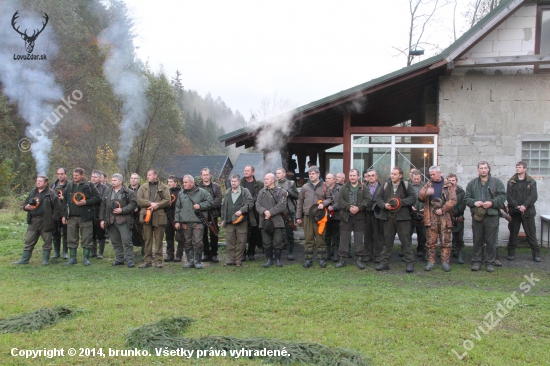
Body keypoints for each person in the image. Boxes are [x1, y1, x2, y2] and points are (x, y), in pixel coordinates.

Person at [464, 161, 506, 272]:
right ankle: (477, 262)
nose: (483, 170)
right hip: (477, 216)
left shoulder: (496, 183)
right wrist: (474, 202)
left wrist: (492, 203)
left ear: (488, 169)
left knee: (491, 241)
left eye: (485, 168)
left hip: (492, 216)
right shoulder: (472, 184)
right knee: (477, 240)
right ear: (478, 170)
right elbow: (466, 198)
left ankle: (490, 262)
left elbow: (502, 197)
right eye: (481, 168)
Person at [374, 166, 416, 273]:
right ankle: (384, 263)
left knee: (406, 242)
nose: (392, 175)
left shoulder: (407, 185)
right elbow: (377, 198)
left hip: (403, 219)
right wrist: (384, 205)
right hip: (388, 218)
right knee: (387, 242)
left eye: (395, 174)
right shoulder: (386, 185)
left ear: (400, 176)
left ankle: (409, 264)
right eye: (392, 173)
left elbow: (413, 198)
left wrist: (400, 203)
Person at [14, 176, 61, 266]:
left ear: (46, 182)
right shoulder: (33, 192)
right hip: (33, 220)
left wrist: (52, 220)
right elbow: (25, 203)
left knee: (47, 241)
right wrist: (25, 207)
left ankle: (45, 260)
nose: (38, 182)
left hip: (46, 220)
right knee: (29, 240)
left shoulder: (51, 193)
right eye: (37, 181)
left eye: (40, 181)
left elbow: (57, 209)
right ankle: (24, 259)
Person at [418, 166, 457, 272]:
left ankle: (445, 263)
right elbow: (420, 198)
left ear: (440, 173)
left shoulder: (449, 185)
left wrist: (443, 209)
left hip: (445, 216)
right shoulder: (428, 184)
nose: (432, 176)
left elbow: (453, 200)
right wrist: (426, 193)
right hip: (431, 216)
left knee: (445, 241)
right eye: (430, 174)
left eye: (434, 174)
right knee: (431, 241)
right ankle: (431, 262)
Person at [62, 168, 101, 266]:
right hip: (72, 217)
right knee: (71, 238)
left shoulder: (89, 186)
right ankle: (73, 258)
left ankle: (86, 259)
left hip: (85, 216)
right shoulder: (70, 186)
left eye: (77, 175)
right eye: (74, 175)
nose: (74, 177)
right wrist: (64, 215)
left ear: (82, 175)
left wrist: (86, 202)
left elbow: (98, 198)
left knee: (87, 237)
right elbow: (65, 202)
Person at [174, 175, 213, 269]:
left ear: (192, 183)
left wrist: (200, 206)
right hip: (185, 222)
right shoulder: (181, 194)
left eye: (186, 182)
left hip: (198, 222)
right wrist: (177, 221)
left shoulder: (202, 192)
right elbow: (178, 208)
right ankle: (190, 261)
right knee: (187, 242)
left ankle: (198, 261)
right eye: (183, 182)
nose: (184, 184)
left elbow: (210, 202)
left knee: (198, 242)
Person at [296, 166, 332, 268]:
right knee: (308, 238)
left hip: (320, 217)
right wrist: (298, 216)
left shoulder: (325, 186)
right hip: (307, 217)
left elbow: (330, 199)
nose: (311, 176)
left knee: (320, 239)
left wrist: (324, 203)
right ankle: (308, 260)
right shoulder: (305, 187)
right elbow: (300, 202)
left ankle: (321, 260)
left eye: (313, 174)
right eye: (309, 174)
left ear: (318, 174)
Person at [99, 174, 137, 268]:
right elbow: (103, 206)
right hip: (110, 221)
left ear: (120, 181)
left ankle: (130, 260)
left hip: (123, 220)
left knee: (127, 240)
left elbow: (133, 204)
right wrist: (102, 220)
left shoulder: (128, 192)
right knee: (115, 241)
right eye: (112, 180)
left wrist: (122, 210)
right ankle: (119, 259)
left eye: (115, 180)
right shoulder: (107, 192)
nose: (112, 182)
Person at [506, 161, 541, 262]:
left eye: (520, 167)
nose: (517, 169)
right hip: (515, 212)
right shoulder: (511, 182)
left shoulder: (531, 182)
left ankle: (536, 254)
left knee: (531, 234)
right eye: (516, 167)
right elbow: (509, 197)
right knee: (513, 233)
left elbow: (533, 196)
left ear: (525, 169)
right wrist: (517, 206)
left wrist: (525, 205)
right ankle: (511, 253)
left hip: (528, 212)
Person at [136, 169, 170, 268]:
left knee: (159, 239)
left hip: (159, 216)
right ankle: (147, 261)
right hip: (146, 216)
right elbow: (139, 200)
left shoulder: (163, 187)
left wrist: (157, 205)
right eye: (147, 175)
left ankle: (158, 260)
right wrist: (150, 203)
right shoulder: (143, 187)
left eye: (150, 175)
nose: (148, 176)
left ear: (155, 175)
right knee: (147, 239)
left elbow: (167, 201)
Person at [336, 169, 370, 269]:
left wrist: (358, 208)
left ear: (358, 176)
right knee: (344, 238)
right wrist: (349, 208)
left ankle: (358, 259)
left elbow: (367, 200)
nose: (352, 177)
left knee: (359, 238)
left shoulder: (364, 187)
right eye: (350, 175)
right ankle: (342, 258)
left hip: (359, 217)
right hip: (346, 216)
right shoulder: (343, 187)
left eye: (354, 175)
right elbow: (340, 200)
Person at [221, 174, 254, 267]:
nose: (233, 183)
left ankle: (238, 260)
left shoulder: (245, 191)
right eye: (232, 181)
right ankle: (231, 259)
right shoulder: (228, 192)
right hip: (229, 222)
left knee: (241, 241)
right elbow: (223, 206)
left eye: (235, 181)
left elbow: (250, 203)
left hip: (241, 221)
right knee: (229, 241)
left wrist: (241, 211)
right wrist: (223, 219)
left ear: (239, 182)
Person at [256, 173, 287, 268]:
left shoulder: (281, 191)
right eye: (264, 179)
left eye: (267, 179)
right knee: (266, 241)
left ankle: (277, 260)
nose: (265, 181)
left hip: (277, 221)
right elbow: (257, 205)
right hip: (264, 221)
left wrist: (270, 212)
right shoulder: (261, 192)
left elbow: (282, 205)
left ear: (273, 180)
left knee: (277, 241)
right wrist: (264, 211)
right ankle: (269, 260)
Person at [274, 167, 299, 260]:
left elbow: (297, 196)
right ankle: (277, 252)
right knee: (277, 233)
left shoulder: (290, 183)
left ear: (284, 174)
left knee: (289, 232)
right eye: (276, 173)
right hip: (277, 212)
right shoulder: (274, 183)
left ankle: (289, 252)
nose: (277, 175)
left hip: (288, 211)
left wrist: (289, 193)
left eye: (279, 173)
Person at [199, 168, 223, 263]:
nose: (206, 176)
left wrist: (207, 205)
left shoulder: (216, 187)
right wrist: (203, 206)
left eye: (207, 174)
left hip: (213, 214)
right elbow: (196, 199)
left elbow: (219, 199)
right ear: (201, 176)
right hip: (202, 214)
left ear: (210, 175)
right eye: (204, 175)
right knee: (203, 234)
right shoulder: (198, 187)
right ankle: (206, 253)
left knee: (214, 233)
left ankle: (214, 254)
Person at [240, 165, 264, 261]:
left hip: (255, 212)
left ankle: (251, 252)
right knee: (242, 233)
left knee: (254, 233)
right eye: (245, 170)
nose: (245, 172)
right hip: (243, 211)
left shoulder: (259, 184)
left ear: (253, 172)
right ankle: (242, 253)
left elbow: (260, 198)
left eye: (248, 171)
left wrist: (250, 201)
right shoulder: (240, 184)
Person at [363, 169, 384, 263]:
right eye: (368, 176)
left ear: (376, 176)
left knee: (378, 235)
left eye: (372, 175)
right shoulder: (363, 187)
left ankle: (378, 255)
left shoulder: (382, 187)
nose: (370, 177)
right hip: (366, 213)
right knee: (367, 235)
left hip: (378, 214)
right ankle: (367, 255)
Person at [447, 173, 466, 264]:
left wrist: (455, 214)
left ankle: (460, 255)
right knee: (445, 237)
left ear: (456, 181)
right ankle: (446, 255)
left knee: (459, 237)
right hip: (446, 216)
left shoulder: (461, 192)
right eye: (449, 181)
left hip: (458, 216)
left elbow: (463, 204)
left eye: (453, 180)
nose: (451, 182)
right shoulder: (444, 191)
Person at [164, 175, 184, 262]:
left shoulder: (181, 193)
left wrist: (178, 220)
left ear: (176, 183)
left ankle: (179, 255)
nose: (169, 183)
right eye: (168, 182)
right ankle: (170, 255)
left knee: (180, 237)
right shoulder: (166, 192)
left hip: (179, 218)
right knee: (169, 237)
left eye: (171, 182)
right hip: (168, 217)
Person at [51, 167, 68, 259]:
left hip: (65, 211)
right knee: (55, 232)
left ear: (65, 174)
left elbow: (73, 198)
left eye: (62, 174)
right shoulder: (53, 185)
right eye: (58, 174)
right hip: (56, 212)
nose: (60, 176)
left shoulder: (69, 185)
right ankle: (57, 252)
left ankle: (65, 252)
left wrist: (63, 198)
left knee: (66, 232)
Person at [410, 170, 427, 260]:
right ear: (412, 178)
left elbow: (429, 199)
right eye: (414, 179)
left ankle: (422, 250)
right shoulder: (407, 186)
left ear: (421, 178)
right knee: (408, 233)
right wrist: (410, 206)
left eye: (418, 179)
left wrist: (424, 208)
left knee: (422, 233)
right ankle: (407, 252)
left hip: (422, 213)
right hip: (410, 213)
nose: (416, 181)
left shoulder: (425, 186)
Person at [324, 173, 341, 262]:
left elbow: (342, 201)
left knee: (336, 235)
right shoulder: (323, 188)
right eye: (326, 178)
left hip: (337, 215)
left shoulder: (340, 189)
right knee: (327, 234)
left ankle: (335, 254)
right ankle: (327, 254)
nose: (327, 180)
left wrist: (333, 207)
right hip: (325, 215)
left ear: (334, 179)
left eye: (329, 178)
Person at [90, 170, 107, 258]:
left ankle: (100, 253)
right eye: (92, 177)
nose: (93, 178)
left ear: (100, 178)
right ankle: (93, 251)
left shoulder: (104, 188)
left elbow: (105, 201)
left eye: (95, 177)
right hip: (90, 213)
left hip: (100, 213)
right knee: (91, 234)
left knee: (101, 234)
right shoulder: (88, 187)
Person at [128, 173, 144, 252]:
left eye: (135, 178)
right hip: (128, 215)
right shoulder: (126, 189)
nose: (133, 180)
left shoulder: (142, 189)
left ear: (138, 180)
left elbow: (145, 201)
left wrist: (138, 208)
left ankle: (144, 252)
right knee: (128, 235)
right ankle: (129, 253)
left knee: (142, 234)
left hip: (139, 215)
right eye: (132, 178)